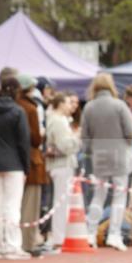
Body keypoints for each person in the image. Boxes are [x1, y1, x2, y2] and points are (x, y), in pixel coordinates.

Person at [81, 72, 132, 252]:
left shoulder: (89, 107)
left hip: (99, 155)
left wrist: (90, 152)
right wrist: (125, 144)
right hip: (119, 153)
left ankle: (90, 233)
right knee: (119, 195)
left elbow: (85, 136)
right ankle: (114, 234)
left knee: (98, 195)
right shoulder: (119, 105)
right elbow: (130, 131)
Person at [0, 75, 31, 259]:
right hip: (14, 164)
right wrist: (26, 167)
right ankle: (12, 246)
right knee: (12, 206)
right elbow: (23, 142)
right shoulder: (18, 111)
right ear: (17, 91)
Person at [45, 93, 80, 251]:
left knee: (62, 201)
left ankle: (60, 236)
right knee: (61, 201)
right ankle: (59, 237)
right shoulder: (58, 121)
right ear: (60, 104)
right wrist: (77, 137)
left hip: (61, 164)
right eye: (67, 102)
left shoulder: (60, 120)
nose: (71, 106)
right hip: (61, 165)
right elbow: (65, 146)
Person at [17, 75, 47, 255]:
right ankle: (28, 243)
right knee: (30, 204)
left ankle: (17, 242)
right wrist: (42, 134)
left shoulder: (12, 104)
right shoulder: (30, 108)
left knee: (14, 205)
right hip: (32, 160)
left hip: (14, 160)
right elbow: (36, 138)